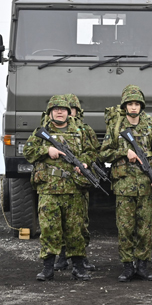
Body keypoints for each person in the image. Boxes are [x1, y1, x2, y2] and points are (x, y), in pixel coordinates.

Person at [100, 85, 152, 282]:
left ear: (141, 106)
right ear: (125, 106)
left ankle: (143, 266)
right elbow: (103, 152)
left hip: (147, 185)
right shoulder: (116, 126)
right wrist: (123, 152)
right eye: (130, 104)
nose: (133, 107)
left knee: (146, 228)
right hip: (124, 186)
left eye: (137, 104)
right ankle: (127, 266)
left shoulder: (151, 124)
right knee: (125, 227)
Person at [24, 95, 95, 281]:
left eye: (63, 109)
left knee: (75, 230)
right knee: (49, 229)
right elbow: (28, 151)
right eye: (55, 109)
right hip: (49, 190)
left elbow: (91, 151)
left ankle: (78, 268)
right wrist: (47, 150)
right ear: (49, 112)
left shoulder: (80, 130)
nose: (59, 111)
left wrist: (85, 164)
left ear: (68, 111)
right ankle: (48, 268)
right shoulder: (42, 131)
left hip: (74, 190)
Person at [49, 94, 99, 272]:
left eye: (72, 109)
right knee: (57, 223)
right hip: (56, 185)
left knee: (79, 223)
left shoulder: (84, 130)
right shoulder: (49, 130)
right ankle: (62, 256)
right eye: (63, 109)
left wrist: (84, 162)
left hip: (78, 183)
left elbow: (94, 152)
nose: (68, 112)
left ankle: (80, 257)